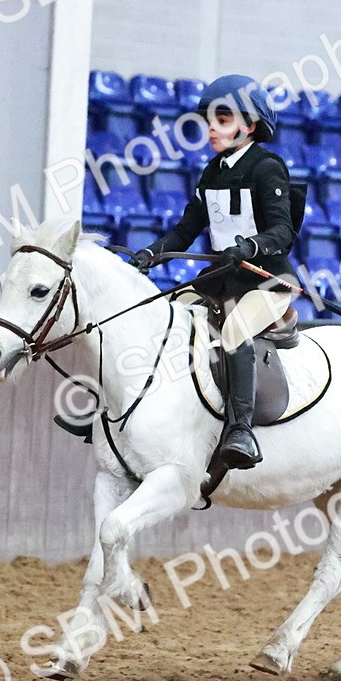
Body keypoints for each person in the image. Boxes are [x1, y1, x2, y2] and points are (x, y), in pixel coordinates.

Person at [126, 74, 297, 472]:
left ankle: (240, 430)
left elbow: (283, 232)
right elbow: (185, 230)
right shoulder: (212, 171)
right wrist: (152, 253)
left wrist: (249, 246)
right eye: (210, 121)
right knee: (167, 310)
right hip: (222, 278)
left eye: (222, 120)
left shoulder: (267, 168)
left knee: (235, 330)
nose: (211, 129)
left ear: (249, 125)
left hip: (265, 280)